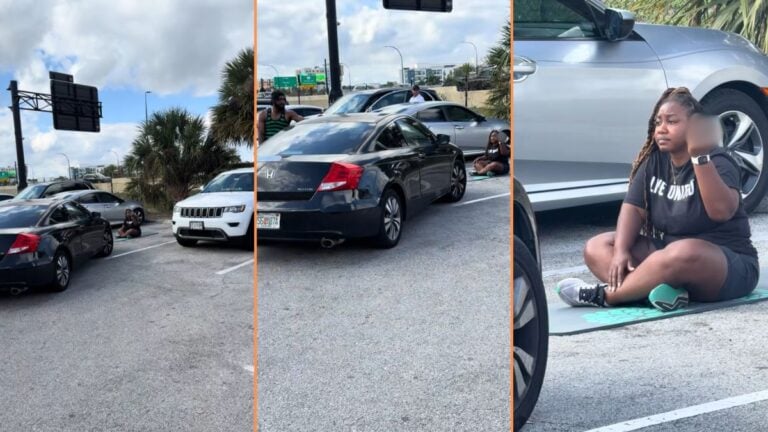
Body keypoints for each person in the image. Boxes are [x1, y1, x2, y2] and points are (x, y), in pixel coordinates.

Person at [556, 87, 759, 311]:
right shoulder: (654, 162)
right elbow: (633, 209)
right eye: (657, 122)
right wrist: (622, 250)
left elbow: (721, 211)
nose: (661, 129)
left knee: (684, 251)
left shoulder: (718, 160)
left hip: (726, 265)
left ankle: (605, 295)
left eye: (671, 122)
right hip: (667, 254)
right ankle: (657, 293)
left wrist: (699, 158)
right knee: (598, 246)